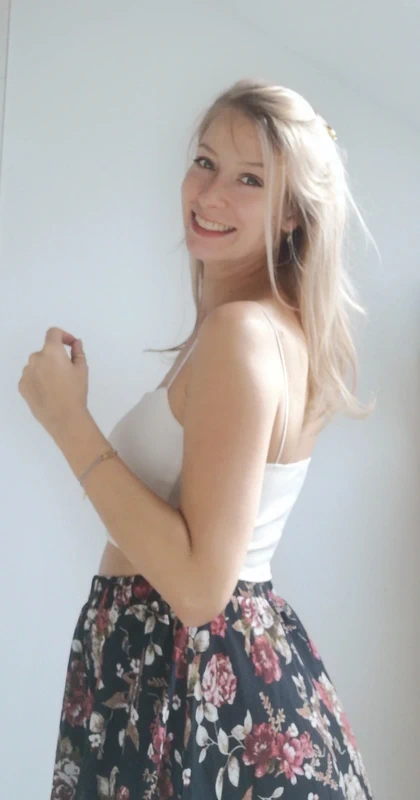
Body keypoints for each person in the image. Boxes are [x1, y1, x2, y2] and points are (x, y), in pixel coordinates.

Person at [49, 79, 375, 798]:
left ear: (291, 215)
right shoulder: (268, 330)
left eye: (250, 179)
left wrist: (66, 420)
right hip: (187, 670)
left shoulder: (242, 335)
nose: (210, 193)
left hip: (186, 681)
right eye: (205, 162)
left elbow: (200, 588)